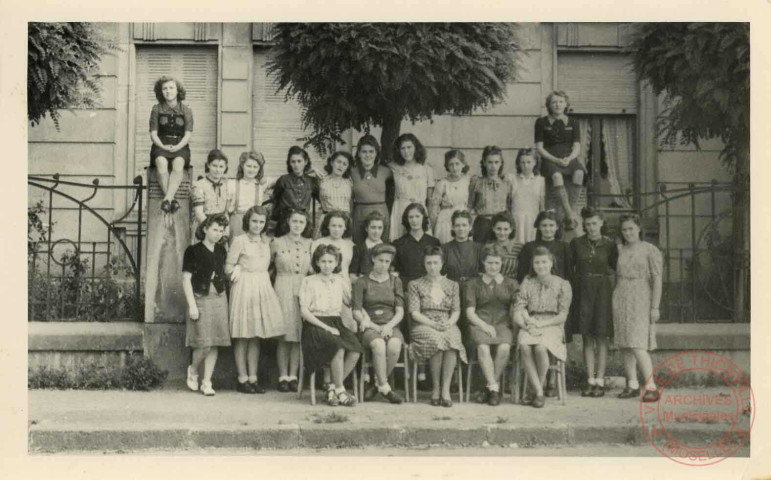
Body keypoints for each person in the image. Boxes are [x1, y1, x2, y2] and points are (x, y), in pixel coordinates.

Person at [226, 206, 286, 394]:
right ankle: (242, 378)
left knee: (256, 335)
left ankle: (253, 378)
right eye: (254, 221)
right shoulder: (239, 241)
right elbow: (228, 266)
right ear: (247, 221)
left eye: (261, 222)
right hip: (244, 285)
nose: (257, 225)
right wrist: (234, 270)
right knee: (243, 334)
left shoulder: (267, 241)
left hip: (261, 284)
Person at [299, 244, 363, 407]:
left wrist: (351, 290)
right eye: (323, 261)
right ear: (317, 262)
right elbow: (305, 312)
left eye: (330, 261)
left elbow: (349, 303)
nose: (327, 265)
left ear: (336, 263)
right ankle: (341, 391)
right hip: (315, 324)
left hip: (336, 322)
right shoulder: (308, 281)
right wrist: (326, 328)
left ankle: (332, 388)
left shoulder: (340, 281)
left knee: (355, 349)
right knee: (338, 346)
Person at [408, 246, 467, 407]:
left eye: (435, 263)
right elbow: (414, 312)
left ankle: (445, 390)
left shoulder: (452, 285)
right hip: (424, 323)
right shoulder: (416, 284)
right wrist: (433, 324)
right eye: (429, 263)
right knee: (436, 339)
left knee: (452, 337)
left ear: (442, 263)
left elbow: (456, 310)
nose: (432, 267)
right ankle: (435, 388)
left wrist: (449, 323)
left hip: (447, 322)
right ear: (424, 264)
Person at [514, 246, 572, 408]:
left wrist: (541, 324)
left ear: (551, 263)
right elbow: (518, 309)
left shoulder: (563, 284)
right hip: (530, 323)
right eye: (537, 262)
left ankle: (535, 390)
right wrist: (526, 325)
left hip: (552, 324)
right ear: (532, 264)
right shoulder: (527, 283)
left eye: (544, 262)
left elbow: (562, 315)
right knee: (524, 346)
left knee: (540, 347)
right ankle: (540, 391)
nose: (541, 266)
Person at [613, 214, 663, 403]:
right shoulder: (621, 249)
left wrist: (655, 307)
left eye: (631, 229)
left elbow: (657, 279)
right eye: (624, 230)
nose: (628, 233)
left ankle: (651, 387)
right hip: (621, 295)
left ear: (639, 229)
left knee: (637, 342)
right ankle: (632, 384)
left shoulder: (650, 250)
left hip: (641, 295)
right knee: (625, 343)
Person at [569, 207, 618, 398]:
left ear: (602, 223)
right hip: (583, 290)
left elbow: (615, 268)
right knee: (587, 337)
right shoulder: (576, 243)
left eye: (594, 223)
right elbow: (572, 268)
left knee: (602, 336)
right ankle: (590, 379)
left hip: (602, 291)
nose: (591, 227)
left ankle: (600, 380)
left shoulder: (610, 244)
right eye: (588, 224)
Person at [392, 203, 441, 388]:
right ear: (406, 220)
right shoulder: (399, 243)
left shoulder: (433, 242)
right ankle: (412, 373)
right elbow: (395, 271)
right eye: (410, 217)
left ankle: (423, 372)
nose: (414, 220)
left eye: (417, 217)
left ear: (423, 219)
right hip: (407, 290)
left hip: (429, 290)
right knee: (411, 326)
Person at [182, 213, 230, 396]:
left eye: (221, 230)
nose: (218, 234)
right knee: (204, 343)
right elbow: (186, 280)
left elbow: (223, 272)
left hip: (219, 298)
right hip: (200, 297)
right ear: (205, 229)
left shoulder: (221, 251)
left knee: (215, 341)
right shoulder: (193, 251)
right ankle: (193, 370)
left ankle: (207, 382)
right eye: (215, 230)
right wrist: (192, 305)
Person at [464, 245, 519, 406]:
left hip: (503, 324)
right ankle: (495, 389)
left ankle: (489, 388)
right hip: (480, 323)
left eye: (496, 263)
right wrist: (483, 325)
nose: (493, 267)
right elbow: (470, 312)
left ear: (502, 263)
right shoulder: (473, 284)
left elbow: (518, 308)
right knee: (483, 347)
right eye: (489, 263)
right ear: (483, 263)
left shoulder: (511, 283)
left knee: (504, 348)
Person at [352, 243, 405, 404]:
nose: (383, 265)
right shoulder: (362, 282)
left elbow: (400, 311)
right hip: (369, 326)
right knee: (379, 345)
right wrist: (375, 327)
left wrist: (389, 326)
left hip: (391, 324)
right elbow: (356, 311)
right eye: (380, 260)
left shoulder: (395, 281)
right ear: (373, 259)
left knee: (395, 346)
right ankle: (385, 387)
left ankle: (377, 384)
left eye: (387, 261)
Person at [270, 210, 314, 392]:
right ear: (288, 222)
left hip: (303, 286)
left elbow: (314, 268)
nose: (297, 225)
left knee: (297, 335)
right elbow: (267, 267)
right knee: (284, 334)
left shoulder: (310, 243)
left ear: (305, 225)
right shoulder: (277, 242)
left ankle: (294, 375)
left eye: (301, 222)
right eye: (294, 221)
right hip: (282, 286)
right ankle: (282, 376)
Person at [535, 91, 586, 231]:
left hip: (568, 156)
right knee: (557, 176)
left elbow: (576, 146)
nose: (557, 105)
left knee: (580, 173)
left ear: (566, 104)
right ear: (549, 105)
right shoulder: (541, 122)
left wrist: (569, 158)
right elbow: (539, 147)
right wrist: (555, 159)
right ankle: (570, 215)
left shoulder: (573, 122)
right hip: (550, 157)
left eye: (561, 101)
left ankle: (573, 210)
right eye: (554, 102)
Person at [149, 76, 193, 219]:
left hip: (181, 145)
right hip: (160, 145)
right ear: (160, 92)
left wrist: (178, 146)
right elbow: (153, 134)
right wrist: (162, 146)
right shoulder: (156, 109)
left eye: (171, 88)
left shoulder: (186, 110)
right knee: (161, 162)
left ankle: (167, 199)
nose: (168, 91)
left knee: (178, 164)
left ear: (178, 90)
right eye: (164, 89)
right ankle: (171, 199)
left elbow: (188, 134)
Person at [311, 210, 356, 333]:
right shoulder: (318, 243)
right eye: (333, 225)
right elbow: (313, 268)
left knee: (346, 325)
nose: (336, 229)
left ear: (345, 228)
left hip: (343, 286)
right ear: (328, 226)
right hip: (322, 286)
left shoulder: (350, 245)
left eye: (340, 226)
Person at [389, 133, 435, 241]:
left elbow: (430, 199)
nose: (406, 151)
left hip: (419, 210)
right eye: (402, 148)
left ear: (416, 148)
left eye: (409, 147)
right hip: (400, 209)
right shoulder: (393, 168)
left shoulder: (426, 169)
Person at [351, 135, 393, 244]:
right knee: (360, 246)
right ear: (359, 153)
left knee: (381, 247)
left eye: (371, 151)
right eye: (364, 152)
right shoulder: (351, 172)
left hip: (381, 212)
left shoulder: (386, 171)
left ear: (376, 153)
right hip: (360, 212)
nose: (368, 155)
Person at [270, 146, 320, 237]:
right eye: (293, 162)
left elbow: (323, 198)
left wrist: (318, 175)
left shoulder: (311, 181)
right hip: (285, 223)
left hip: (303, 222)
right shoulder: (283, 180)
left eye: (299, 161)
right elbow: (275, 202)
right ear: (289, 163)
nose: (296, 165)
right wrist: (273, 224)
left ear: (306, 162)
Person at [469, 146, 515, 244]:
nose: (493, 166)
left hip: (501, 226)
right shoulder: (477, 182)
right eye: (490, 162)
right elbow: (469, 206)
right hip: (483, 224)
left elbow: (509, 206)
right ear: (484, 163)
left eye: (496, 162)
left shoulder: (506, 183)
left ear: (501, 163)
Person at [227, 151, 273, 243]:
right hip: (236, 224)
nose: (251, 170)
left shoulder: (260, 186)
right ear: (242, 166)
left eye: (255, 167)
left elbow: (277, 181)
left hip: (254, 224)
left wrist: (267, 180)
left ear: (259, 169)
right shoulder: (232, 184)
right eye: (248, 166)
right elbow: (226, 211)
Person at [430, 149, 471, 244]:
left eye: (457, 164)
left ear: (463, 164)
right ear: (447, 166)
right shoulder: (442, 183)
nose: (454, 167)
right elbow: (435, 207)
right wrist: (433, 225)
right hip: (446, 219)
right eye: (451, 164)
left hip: (462, 217)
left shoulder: (467, 181)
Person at [191, 150, 230, 244]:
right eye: (214, 166)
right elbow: (199, 213)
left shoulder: (226, 185)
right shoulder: (199, 185)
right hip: (204, 226)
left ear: (225, 168)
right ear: (208, 165)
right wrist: (212, 231)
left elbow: (225, 213)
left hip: (221, 228)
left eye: (221, 166)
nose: (218, 170)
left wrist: (224, 232)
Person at [511, 148, 546, 244]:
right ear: (518, 163)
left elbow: (542, 206)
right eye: (522, 162)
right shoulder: (513, 179)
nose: (525, 165)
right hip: (517, 219)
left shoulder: (540, 180)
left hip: (533, 219)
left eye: (529, 162)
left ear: (535, 162)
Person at [316, 151, 354, 238]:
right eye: (338, 162)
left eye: (344, 164)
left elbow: (351, 202)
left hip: (344, 221)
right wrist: (314, 170)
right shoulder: (322, 179)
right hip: (327, 220)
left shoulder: (349, 182)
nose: (341, 166)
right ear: (332, 162)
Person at [441, 210, 483, 285]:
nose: (461, 228)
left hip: (473, 289)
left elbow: (483, 273)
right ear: (453, 227)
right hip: (451, 288)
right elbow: (440, 274)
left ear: (470, 227)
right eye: (457, 225)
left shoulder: (478, 248)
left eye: (464, 225)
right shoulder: (445, 248)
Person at [349, 211, 386, 283]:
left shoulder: (387, 248)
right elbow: (352, 276)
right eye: (373, 227)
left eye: (379, 228)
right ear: (366, 228)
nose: (376, 231)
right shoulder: (358, 248)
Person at [485, 213, 523, 281]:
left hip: (512, 286)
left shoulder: (519, 247)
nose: (502, 233)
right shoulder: (487, 246)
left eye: (506, 229)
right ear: (493, 228)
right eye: (499, 229)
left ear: (511, 229)